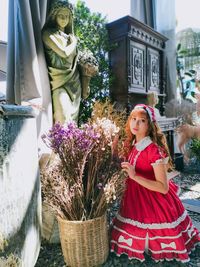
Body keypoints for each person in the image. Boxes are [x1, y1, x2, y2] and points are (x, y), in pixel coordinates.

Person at [111, 104, 200, 263]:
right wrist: (113, 150)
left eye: (142, 120)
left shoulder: (154, 151)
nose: (135, 124)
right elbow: (127, 166)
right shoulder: (132, 145)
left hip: (153, 201)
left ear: (150, 126)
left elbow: (163, 188)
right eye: (133, 119)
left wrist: (134, 176)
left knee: (153, 235)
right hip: (134, 199)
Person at [42, 0, 88, 124]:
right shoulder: (48, 34)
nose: (64, 19)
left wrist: (85, 84)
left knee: (72, 125)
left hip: (75, 84)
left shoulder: (69, 37)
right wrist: (74, 42)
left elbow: (75, 61)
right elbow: (64, 52)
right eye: (61, 16)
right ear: (54, 16)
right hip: (59, 82)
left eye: (67, 16)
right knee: (62, 120)